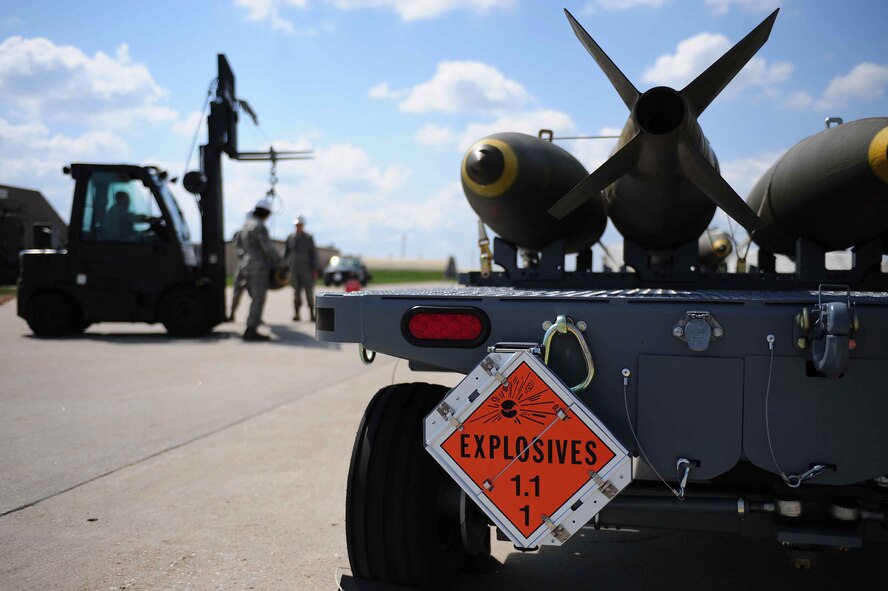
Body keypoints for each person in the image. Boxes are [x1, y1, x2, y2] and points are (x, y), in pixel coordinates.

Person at [239, 197, 282, 341]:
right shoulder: (259, 227)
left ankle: (252, 325)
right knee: (258, 299)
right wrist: (280, 261)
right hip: (258, 267)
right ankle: (251, 329)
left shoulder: (247, 225)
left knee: (254, 297)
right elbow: (267, 247)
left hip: (247, 265)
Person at [284, 214, 320, 322]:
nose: (298, 227)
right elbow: (287, 254)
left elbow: (314, 254)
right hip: (294, 270)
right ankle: (296, 314)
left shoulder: (308, 238)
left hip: (307, 270)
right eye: (297, 225)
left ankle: (312, 314)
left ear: (303, 225)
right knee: (296, 294)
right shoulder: (290, 238)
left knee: (309, 293)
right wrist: (284, 267)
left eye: (300, 225)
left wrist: (315, 269)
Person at [226, 212, 251, 322]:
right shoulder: (241, 233)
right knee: (237, 292)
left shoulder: (257, 232)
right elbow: (238, 247)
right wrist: (242, 254)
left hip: (254, 269)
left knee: (256, 294)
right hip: (242, 268)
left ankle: (255, 317)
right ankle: (232, 313)